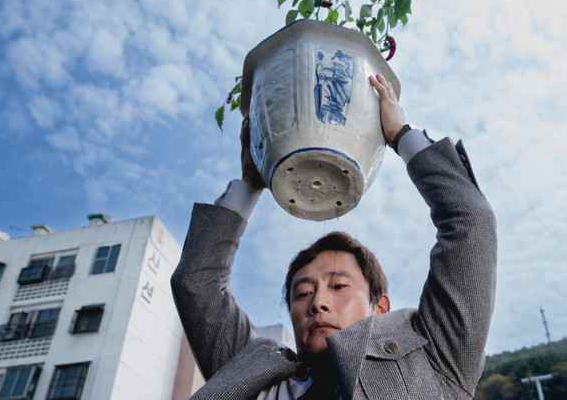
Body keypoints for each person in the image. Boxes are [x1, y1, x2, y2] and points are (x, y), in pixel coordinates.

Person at [171, 74, 497, 399]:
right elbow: (197, 284)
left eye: (339, 286)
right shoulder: (248, 373)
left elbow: (470, 221)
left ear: (379, 307)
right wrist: (249, 183)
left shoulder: (434, 356)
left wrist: (400, 135)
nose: (318, 304)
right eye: (301, 294)